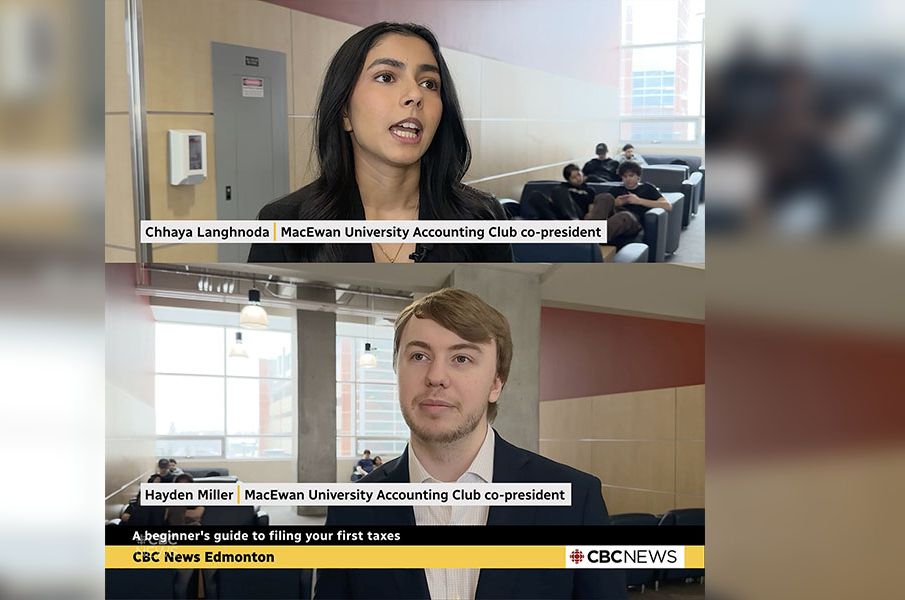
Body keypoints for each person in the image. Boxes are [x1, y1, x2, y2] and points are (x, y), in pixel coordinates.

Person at [315, 288, 625, 600]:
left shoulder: (576, 502)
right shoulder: (351, 509)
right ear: (397, 371)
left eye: (461, 358)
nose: (436, 376)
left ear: (495, 383)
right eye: (419, 356)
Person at [249, 22, 513, 263]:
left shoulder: (483, 218)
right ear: (344, 112)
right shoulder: (283, 224)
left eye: (429, 83)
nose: (414, 95)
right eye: (386, 77)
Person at [584, 161, 672, 242]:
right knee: (604, 197)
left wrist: (639, 201)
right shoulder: (615, 190)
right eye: (625, 176)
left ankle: (588, 236)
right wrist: (615, 203)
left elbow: (667, 206)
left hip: (633, 220)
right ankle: (591, 234)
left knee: (624, 216)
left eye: (631, 175)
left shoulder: (647, 188)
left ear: (638, 176)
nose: (628, 179)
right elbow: (598, 209)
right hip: (613, 215)